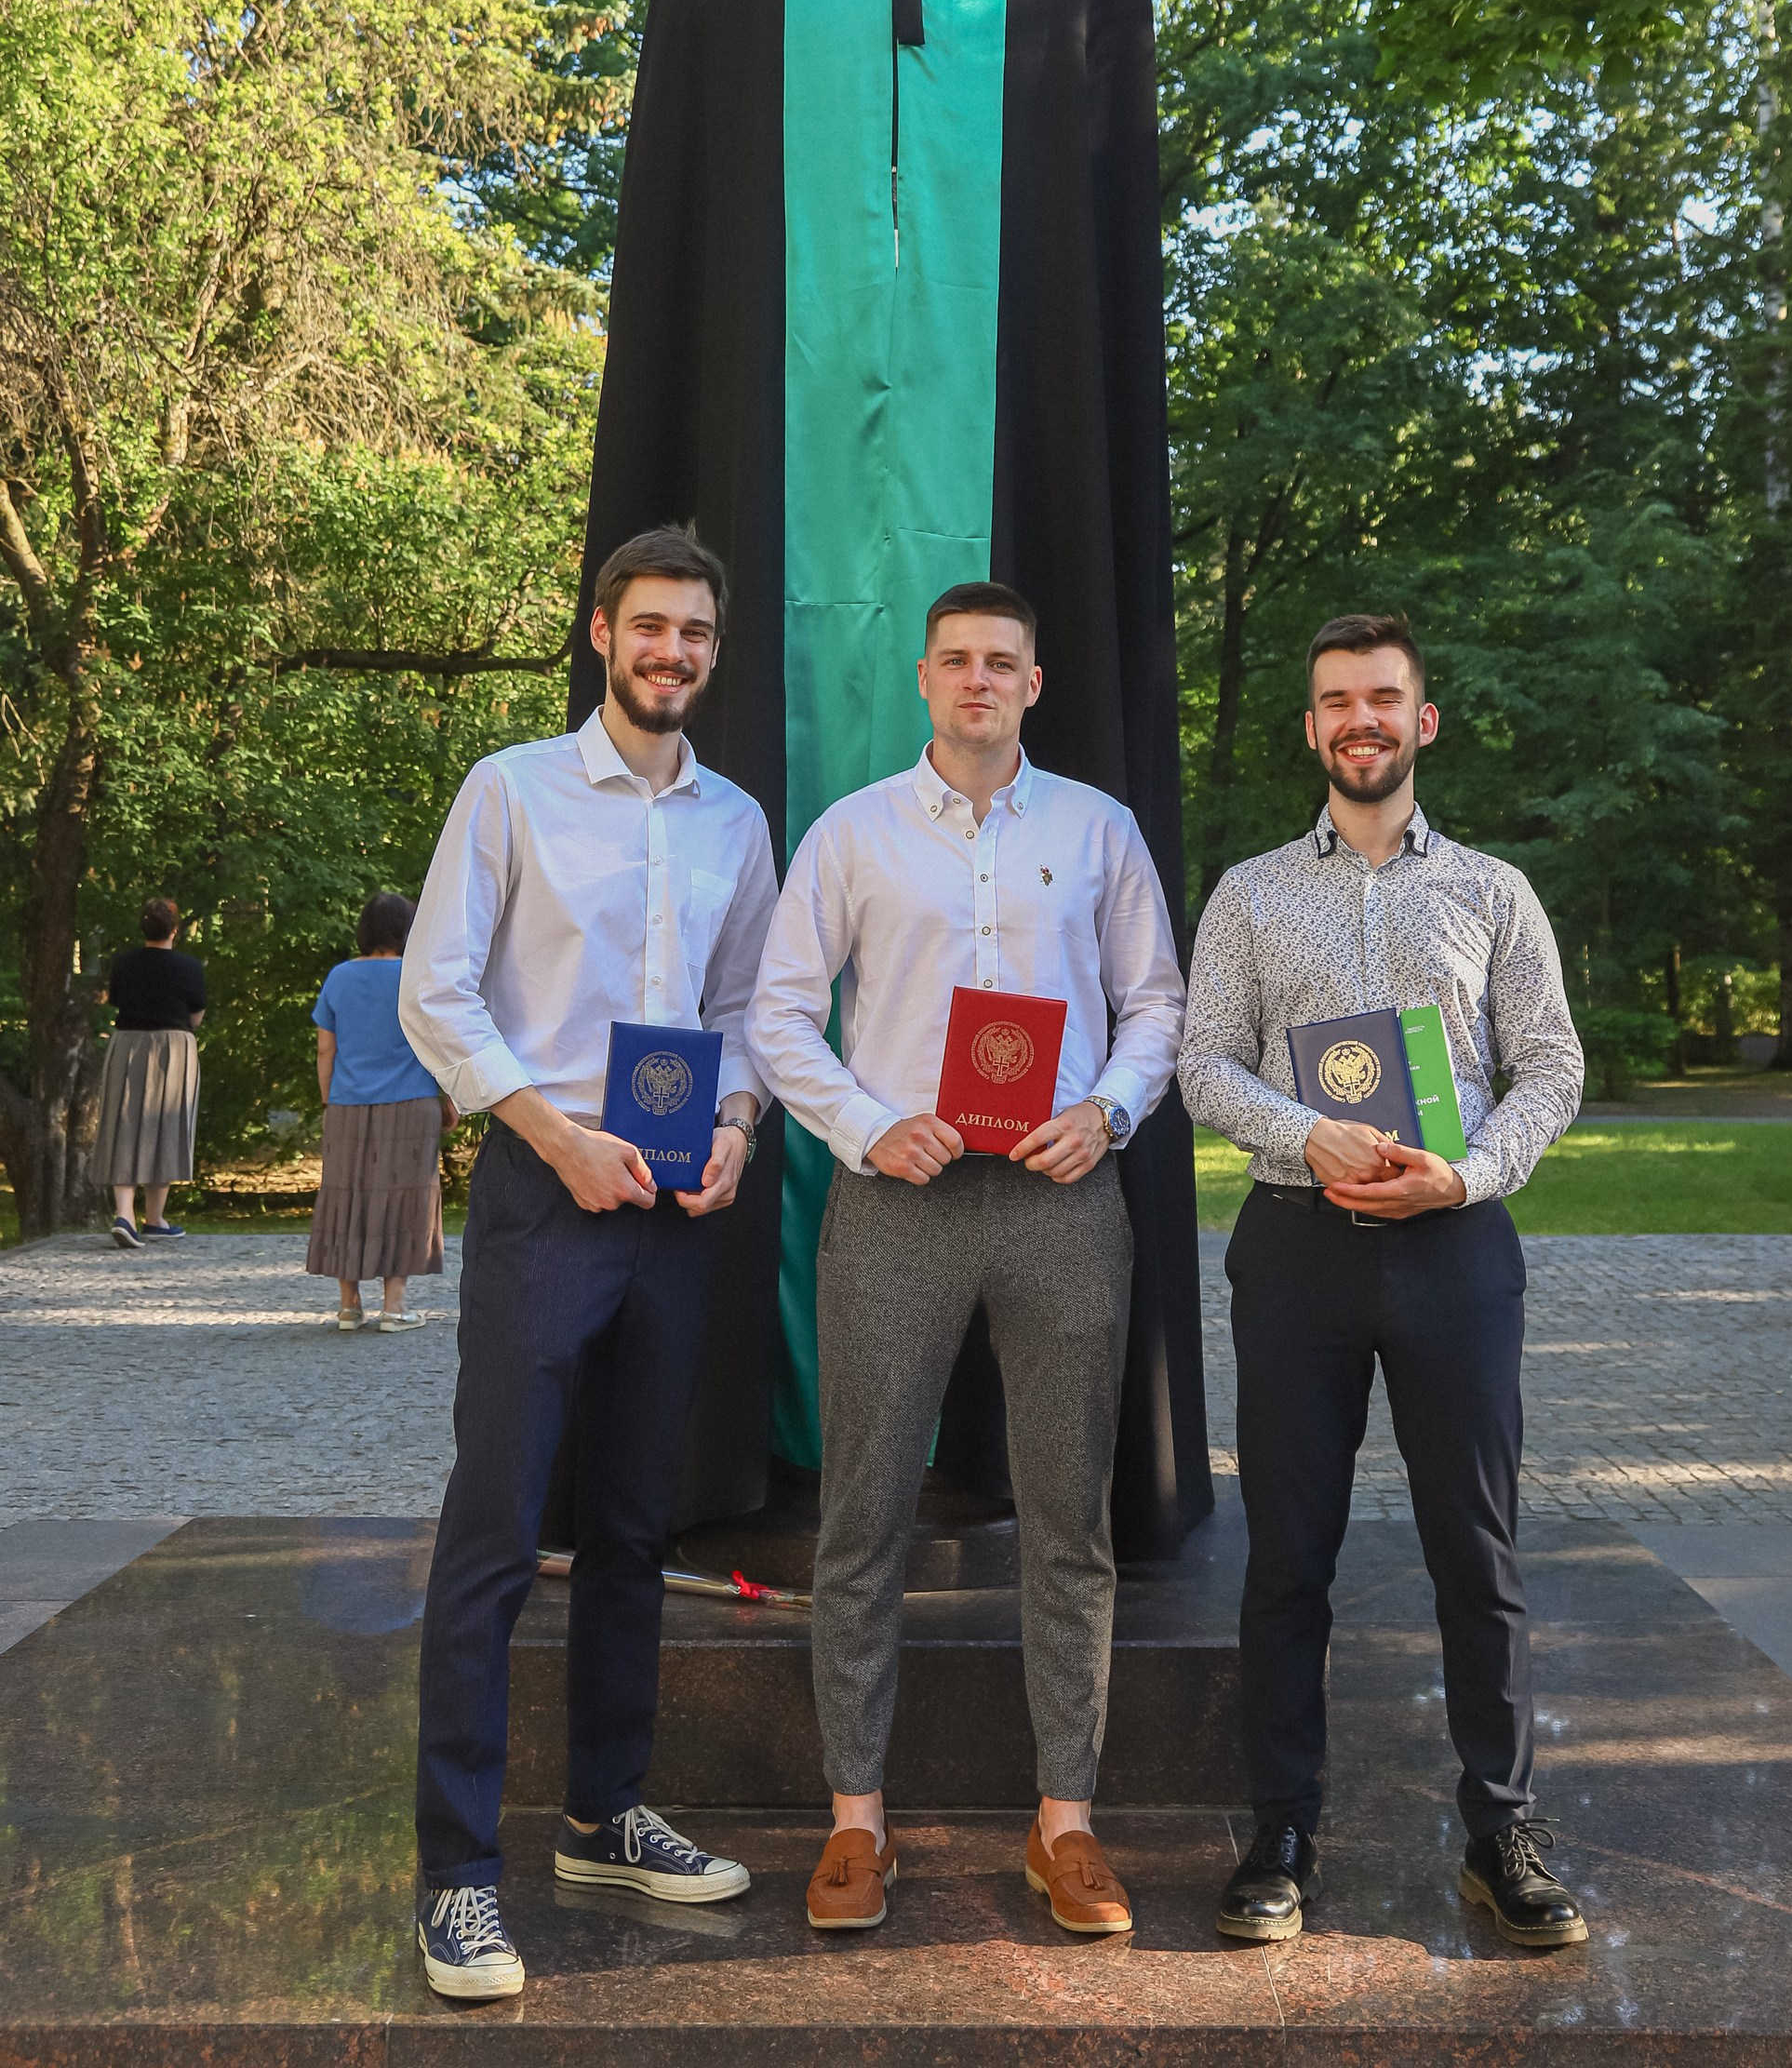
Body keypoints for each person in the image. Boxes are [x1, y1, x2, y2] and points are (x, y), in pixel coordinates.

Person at [572, 0, 1210, 1554]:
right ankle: (714, 1425)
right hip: (758, 538)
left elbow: (1105, 316)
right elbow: (673, 287)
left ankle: (1023, 1443)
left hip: (1015, 532)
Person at [748, 582, 1185, 1941]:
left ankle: (1065, 1823)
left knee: (1067, 1517)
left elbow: (1156, 1004)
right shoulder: (850, 834)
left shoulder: (1096, 831)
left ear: (1034, 684)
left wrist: (1105, 1110)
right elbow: (775, 1016)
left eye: (1003, 662)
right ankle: (853, 1826)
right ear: (923, 682)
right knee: (860, 1516)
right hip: (898, 1203)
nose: (979, 681)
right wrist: (869, 1129)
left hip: (1060, 1199)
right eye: (956, 662)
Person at [397, 525, 780, 2003]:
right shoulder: (509, 791)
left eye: (694, 633)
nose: (670, 653)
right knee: (494, 1532)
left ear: (709, 649)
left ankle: (603, 1813)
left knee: (635, 1526)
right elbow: (438, 995)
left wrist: (740, 1121)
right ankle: (456, 1877)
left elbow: (747, 1004)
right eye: (648, 629)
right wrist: (556, 1140)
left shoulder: (736, 821)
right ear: (600, 635)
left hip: (675, 1211)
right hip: (548, 1195)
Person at [1179, 612, 1589, 1954]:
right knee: (1285, 1558)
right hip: (1295, 1249)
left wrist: (1460, 1177)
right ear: (1309, 728)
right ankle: (1281, 1827)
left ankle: (1498, 1828)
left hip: (1451, 1251)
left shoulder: (1489, 892)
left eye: (1382, 699)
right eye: (1334, 701)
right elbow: (1202, 1066)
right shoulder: (1245, 894)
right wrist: (1308, 1133)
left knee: (1475, 1552)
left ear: (1420, 721)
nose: (1358, 719)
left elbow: (1551, 1069)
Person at [308, 891, 454, 1330]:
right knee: (406, 1199)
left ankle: (349, 1305)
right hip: (412, 1103)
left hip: (348, 1102)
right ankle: (395, 1306)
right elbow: (437, 1047)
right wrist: (450, 1099)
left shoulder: (339, 977)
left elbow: (325, 1050)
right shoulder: (417, 977)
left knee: (345, 1196)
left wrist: (328, 1099)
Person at [94, 896, 204, 1248]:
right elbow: (196, 1016)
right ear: (176, 929)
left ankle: (125, 1214)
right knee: (168, 1123)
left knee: (123, 1121)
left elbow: (116, 1001)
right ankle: (155, 1218)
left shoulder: (124, 963)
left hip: (128, 1043)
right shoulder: (189, 966)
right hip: (174, 1045)